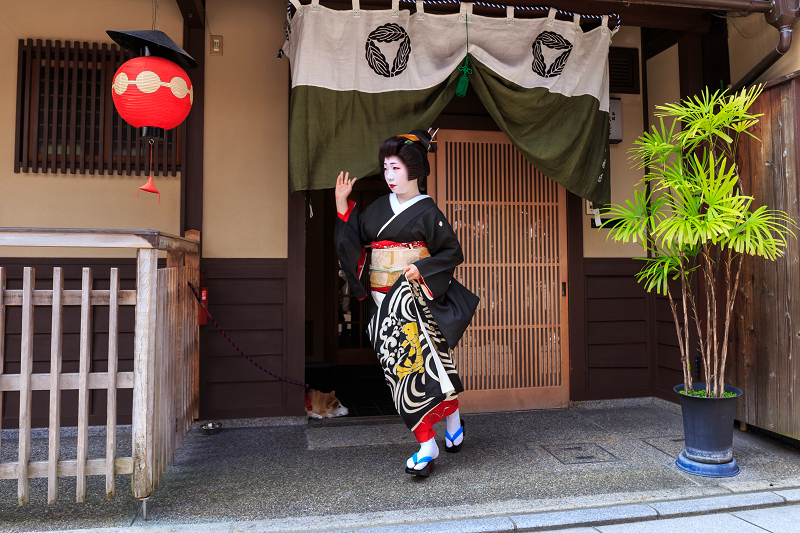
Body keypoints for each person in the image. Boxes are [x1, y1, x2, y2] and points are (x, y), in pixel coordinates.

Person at [334, 129, 479, 477]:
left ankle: (427, 443)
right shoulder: (377, 210)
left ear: (414, 170)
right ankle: (452, 417)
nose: (389, 176)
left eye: (395, 168)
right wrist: (342, 205)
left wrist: (421, 266)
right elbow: (353, 242)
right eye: (385, 168)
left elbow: (451, 252)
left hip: (414, 301)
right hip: (383, 301)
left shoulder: (428, 211)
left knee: (414, 373)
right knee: (403, 372)